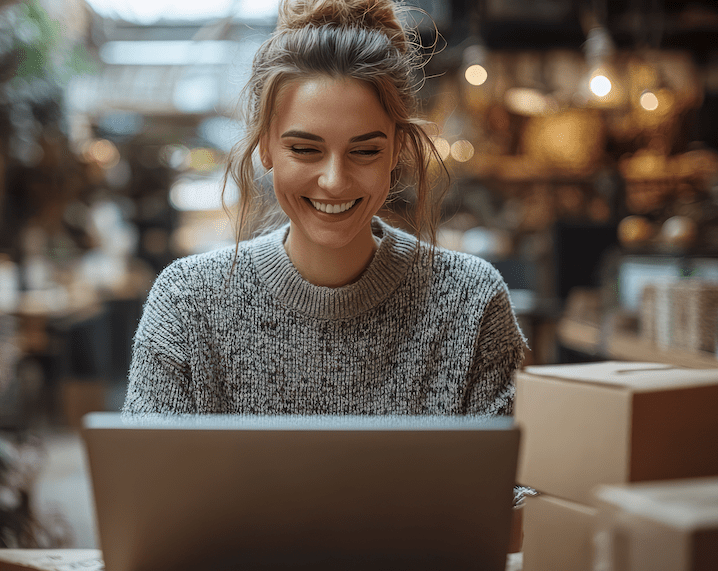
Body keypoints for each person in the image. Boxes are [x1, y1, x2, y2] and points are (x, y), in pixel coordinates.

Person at [122, 0, 530, 543]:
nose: (334, 181)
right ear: (266, 146)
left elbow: (515, 499)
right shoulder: (186, 301)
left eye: (364, 150)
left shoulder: (470, 300)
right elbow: (145, 508)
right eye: (305, 149)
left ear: (398, 152)